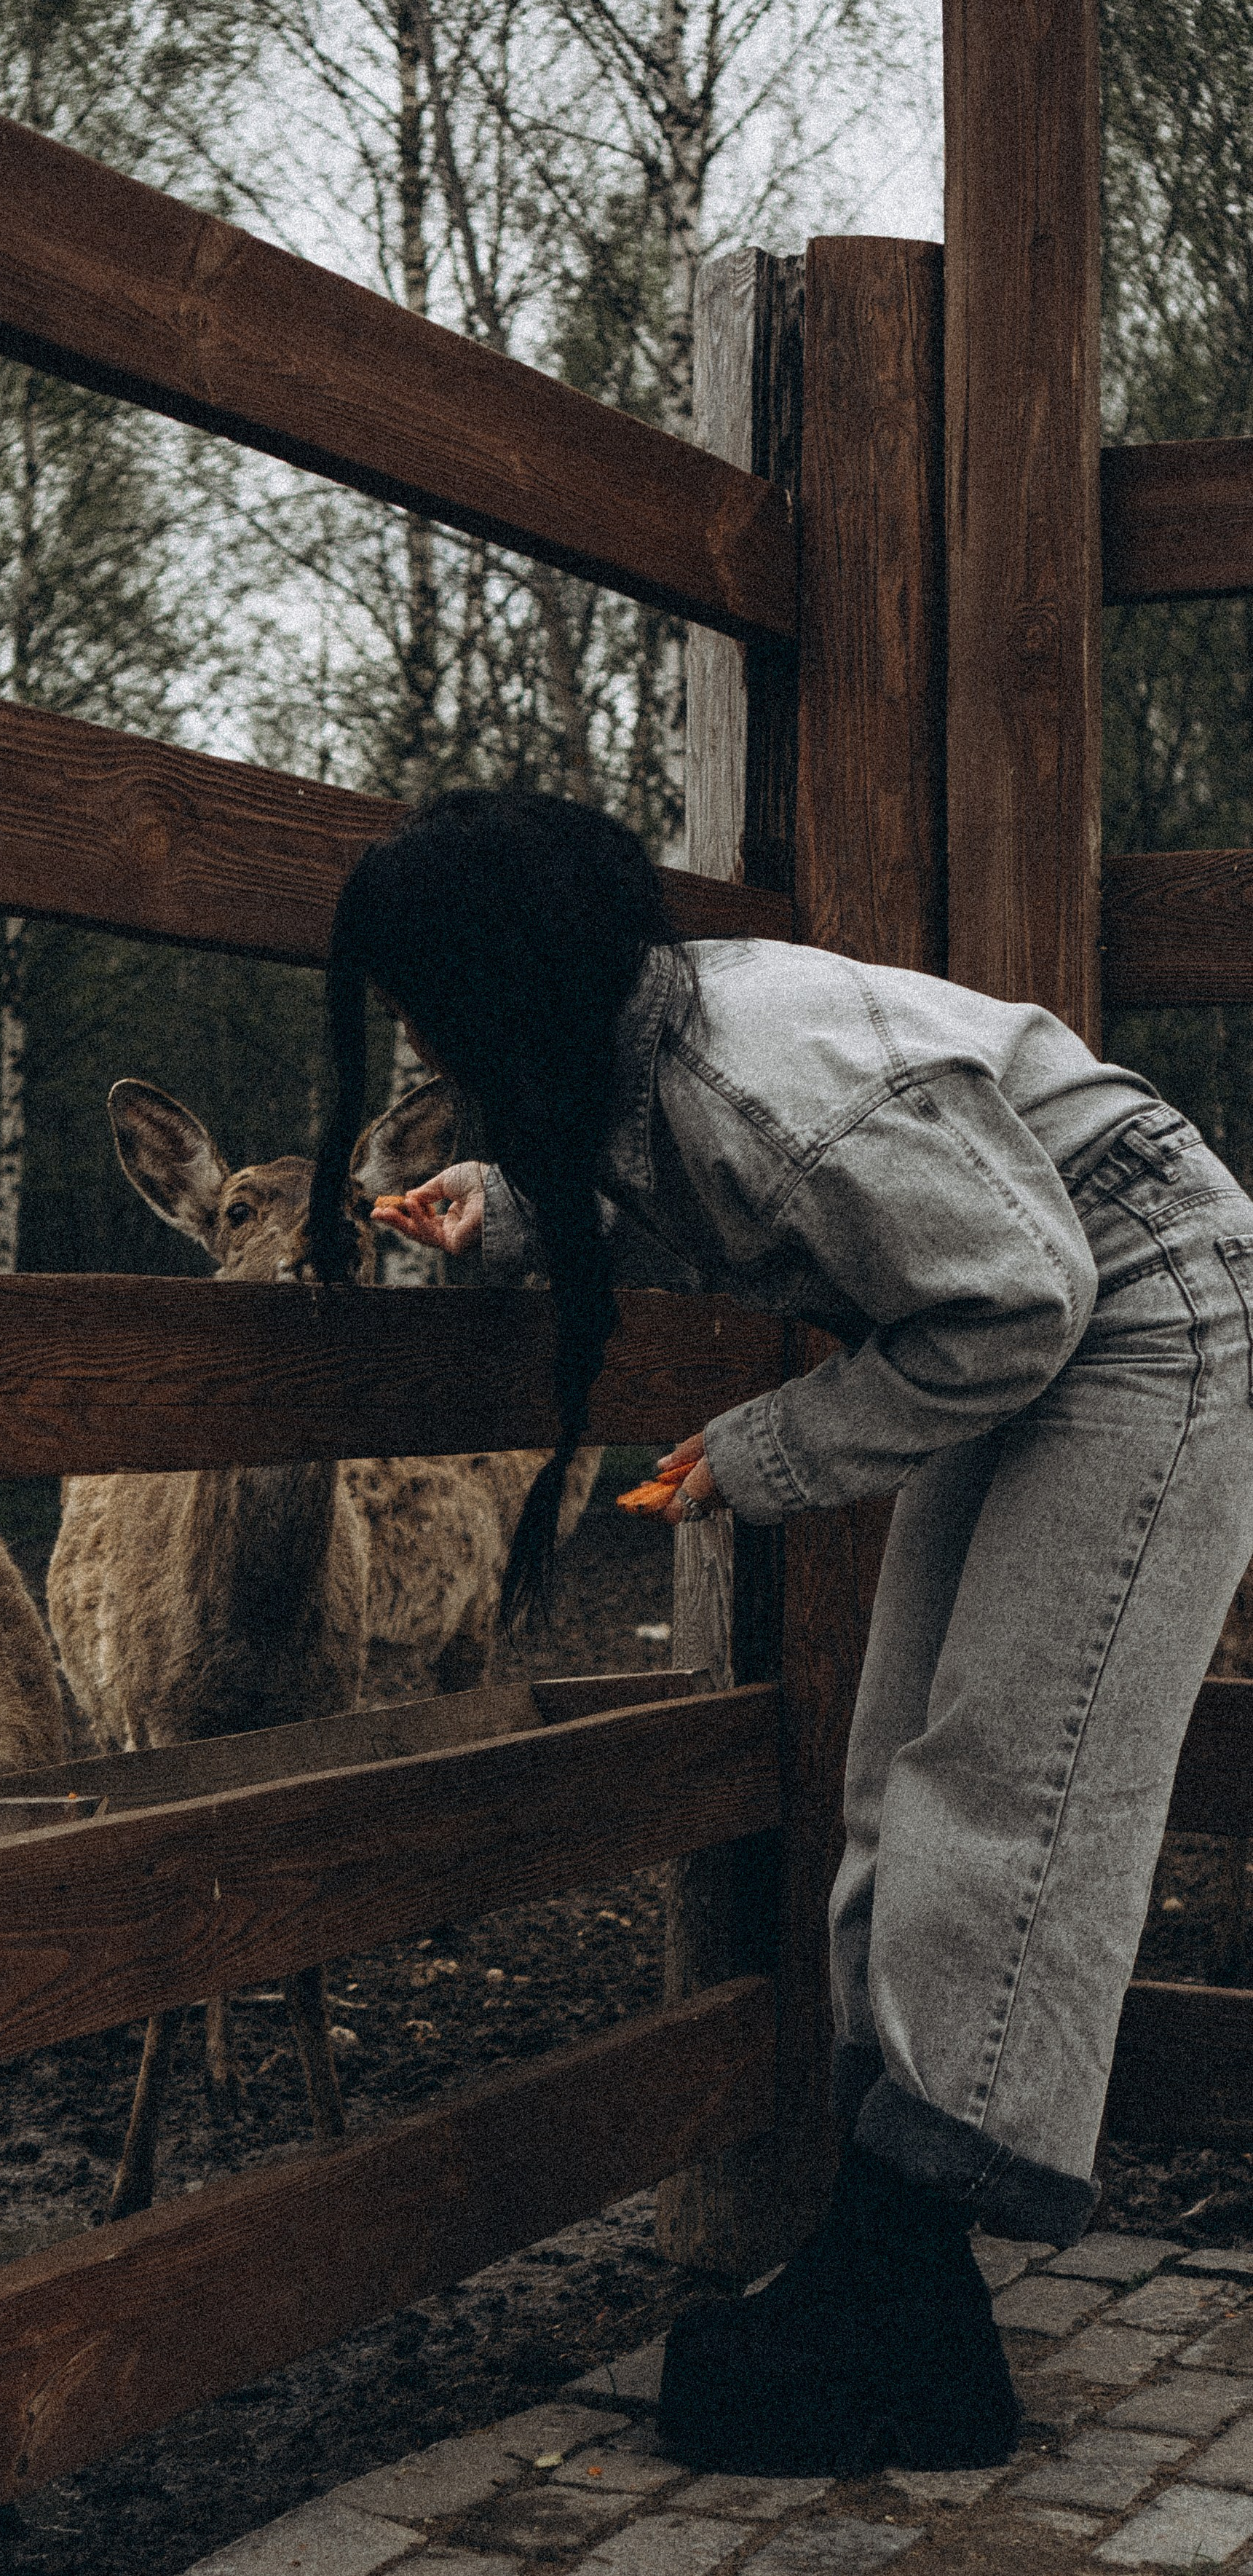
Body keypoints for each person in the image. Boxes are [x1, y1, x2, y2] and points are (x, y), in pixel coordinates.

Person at [305, 787, 1253, 2478]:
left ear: (501, 989)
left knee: (1013, 1775)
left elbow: (1016, 1293)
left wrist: (765, 1451)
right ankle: (903, 2284)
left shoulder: (760, 1080)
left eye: (430, 1010)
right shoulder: (645, 1040)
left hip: (1147, 1305)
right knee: (901, 1770)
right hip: (1037, 1294)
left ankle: (900, 2291)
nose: (423, 1045)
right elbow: (700, 1181)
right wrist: (504, 1210)